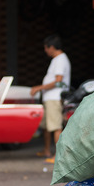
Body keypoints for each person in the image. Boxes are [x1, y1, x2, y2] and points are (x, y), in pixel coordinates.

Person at [30, 34, 71, 163]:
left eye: (46, 48)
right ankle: (47, 150)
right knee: (47, 126)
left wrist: (40, 87)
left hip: (54, 97)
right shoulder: (57, 59)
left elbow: (58, 81)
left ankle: (58, 157)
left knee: (55, 126)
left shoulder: (60, 59)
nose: (45, 50)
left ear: (52, 47)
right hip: (50, 98)